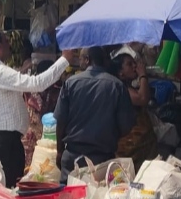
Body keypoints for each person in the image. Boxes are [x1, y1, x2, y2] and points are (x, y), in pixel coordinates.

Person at [0, 30, 71, 187]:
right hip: (2, 143)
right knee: (7, 188)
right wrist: (64, 60)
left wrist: (21, 71)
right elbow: (37, 84)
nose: (9, 46)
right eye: (5, 42)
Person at [55, 47, 135, 183]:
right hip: (102, 159)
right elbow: (126, 126)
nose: (78, 61)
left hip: (72, 156)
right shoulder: (117, 86)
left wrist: (59, 150)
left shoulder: (71, 83)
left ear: (87, 60)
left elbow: (60, 121)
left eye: (80, 58)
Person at [111, 45, 158, 169]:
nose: (134, 67)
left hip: (140, 146)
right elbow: (142, 99)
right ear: (120, 72)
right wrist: (143, 75)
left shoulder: (127, 87)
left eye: (134, 63)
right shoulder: (122, 88)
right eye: (129, 64)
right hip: (130, 148)